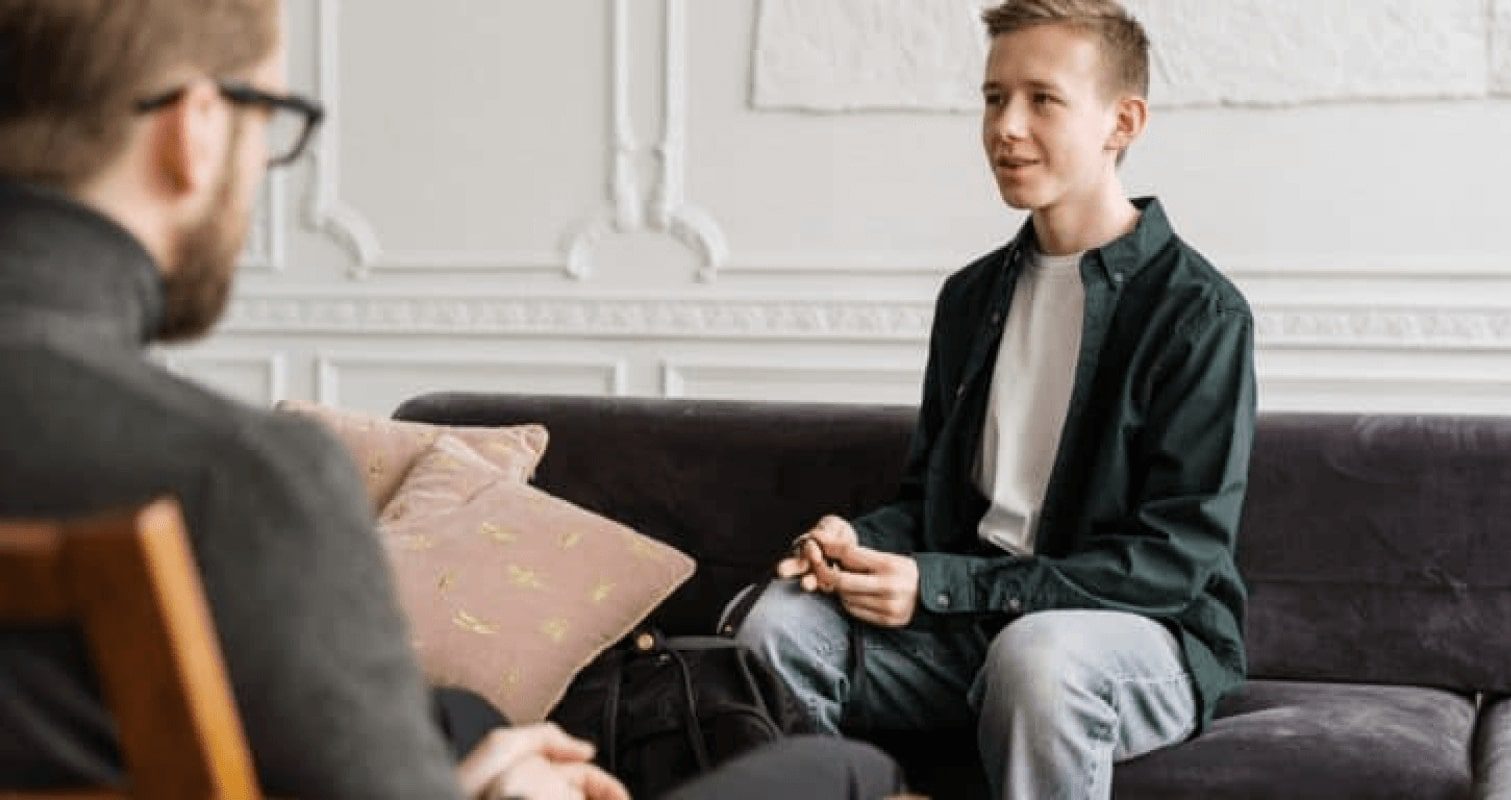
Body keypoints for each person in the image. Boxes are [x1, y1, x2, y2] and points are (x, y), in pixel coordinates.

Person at [0, 2, 899, 798]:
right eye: (269, 120)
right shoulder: (243, 482)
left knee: (461, 718)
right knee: (843, 771)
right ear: (195, 129)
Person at [735, 1, 1257, 798]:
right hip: (968, 626)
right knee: (777, 624)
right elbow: (932, 502)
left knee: (1039, 657)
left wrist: (944, 586)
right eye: (992, 98)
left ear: (1124, 121)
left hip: (1143, 641)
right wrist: (855, 540)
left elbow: (1172, 562)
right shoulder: (970, 298)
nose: (1006, 127)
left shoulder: (1198, 314)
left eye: (1042, 99)